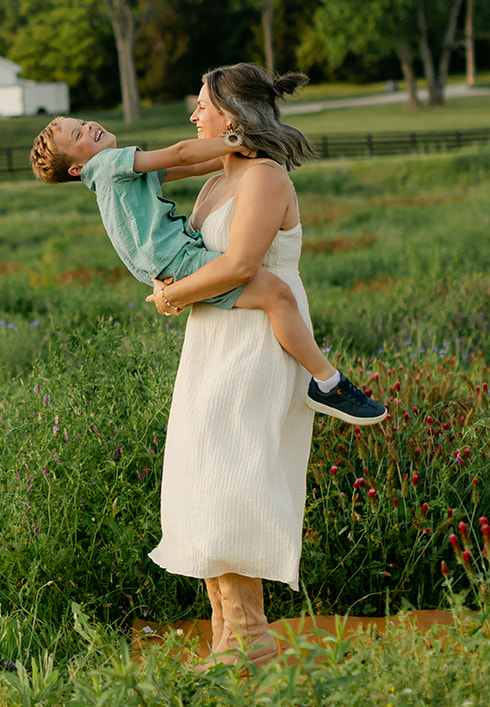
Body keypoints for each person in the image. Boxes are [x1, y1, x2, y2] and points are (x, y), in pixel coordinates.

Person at [146, 63, 354, 669]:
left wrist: (171, 296)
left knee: (232, 484)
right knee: (203, 482)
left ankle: (250, 648)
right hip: (214, 341)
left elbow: (240, 266)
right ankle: (232, 644)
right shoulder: (221, 178)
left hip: (257, 345)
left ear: (233, 117)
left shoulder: (264, 178)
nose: (194, 115)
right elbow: (175, 174)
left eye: (202, 104)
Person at [28, 115, 385, 426]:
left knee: (271, 296)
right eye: (77, 136)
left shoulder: (118, 177)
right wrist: (235, 140)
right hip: (180, 261)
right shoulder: (109, 166)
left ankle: (323, 381)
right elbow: (182, 153)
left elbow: (195, 165)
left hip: (168, 265)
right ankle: (327, 383)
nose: (88, 127)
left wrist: (242, 151)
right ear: (76, 169)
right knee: (277, 295)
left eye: (82, 122)